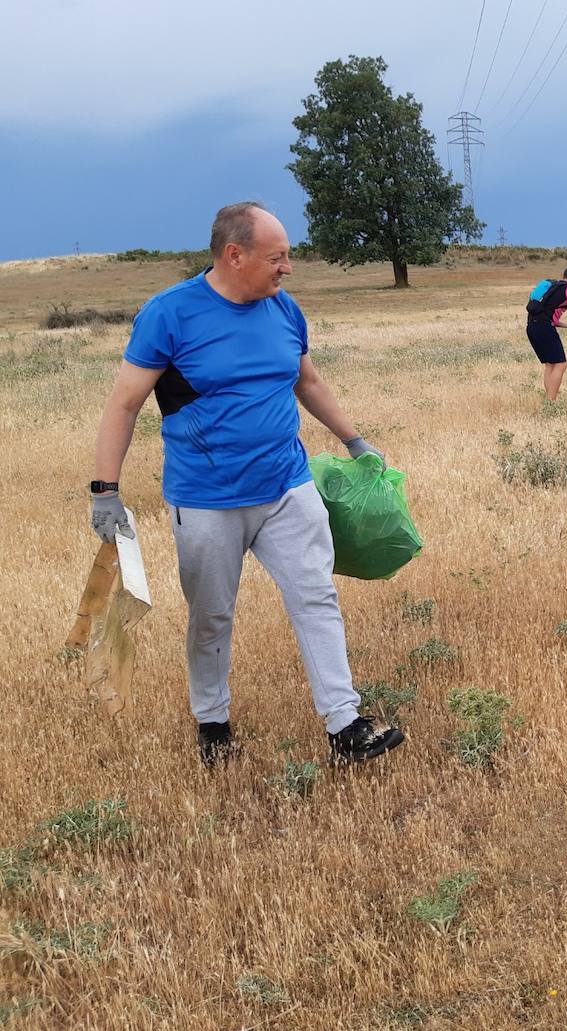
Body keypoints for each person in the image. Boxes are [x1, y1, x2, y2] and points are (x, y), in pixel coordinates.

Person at [89, 201, 405, 765]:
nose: (287, 269)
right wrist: (105, 490)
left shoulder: (283, 309)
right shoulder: (170, 315)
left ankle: (345, 722)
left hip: (287, 484)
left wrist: (354, 439)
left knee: (316, 596)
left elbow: (307, 381)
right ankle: (212, 723)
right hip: (208, 499)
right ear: (235, 256)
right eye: (277, 258)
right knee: (212, 614)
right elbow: (125, 403)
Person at [525, 265, 567, 401]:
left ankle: (549, 399)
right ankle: (551, 403)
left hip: (531, 327)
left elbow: (546, 316)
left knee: (550, 364)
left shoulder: (551, 287)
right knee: (561, 364)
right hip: (545, 328)